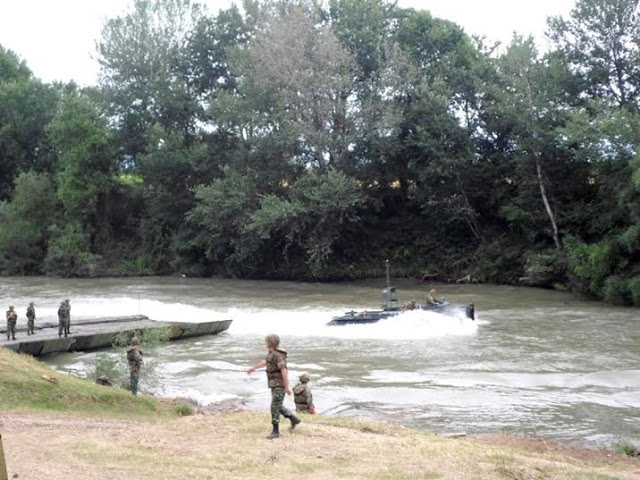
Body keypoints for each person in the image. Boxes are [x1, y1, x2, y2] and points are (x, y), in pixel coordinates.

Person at [247, 334, 301, 439]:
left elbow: (284, 370)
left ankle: (275, 431)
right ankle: (293, 419)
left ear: (271, 342)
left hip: (279, 384)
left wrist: (286, 387)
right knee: (278, 405)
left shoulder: (278, 355)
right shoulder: (272, 353)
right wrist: (253, 368)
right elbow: (266, 362)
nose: (265, 343)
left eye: (267, 341)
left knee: (274, 406)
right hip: (273, 383)